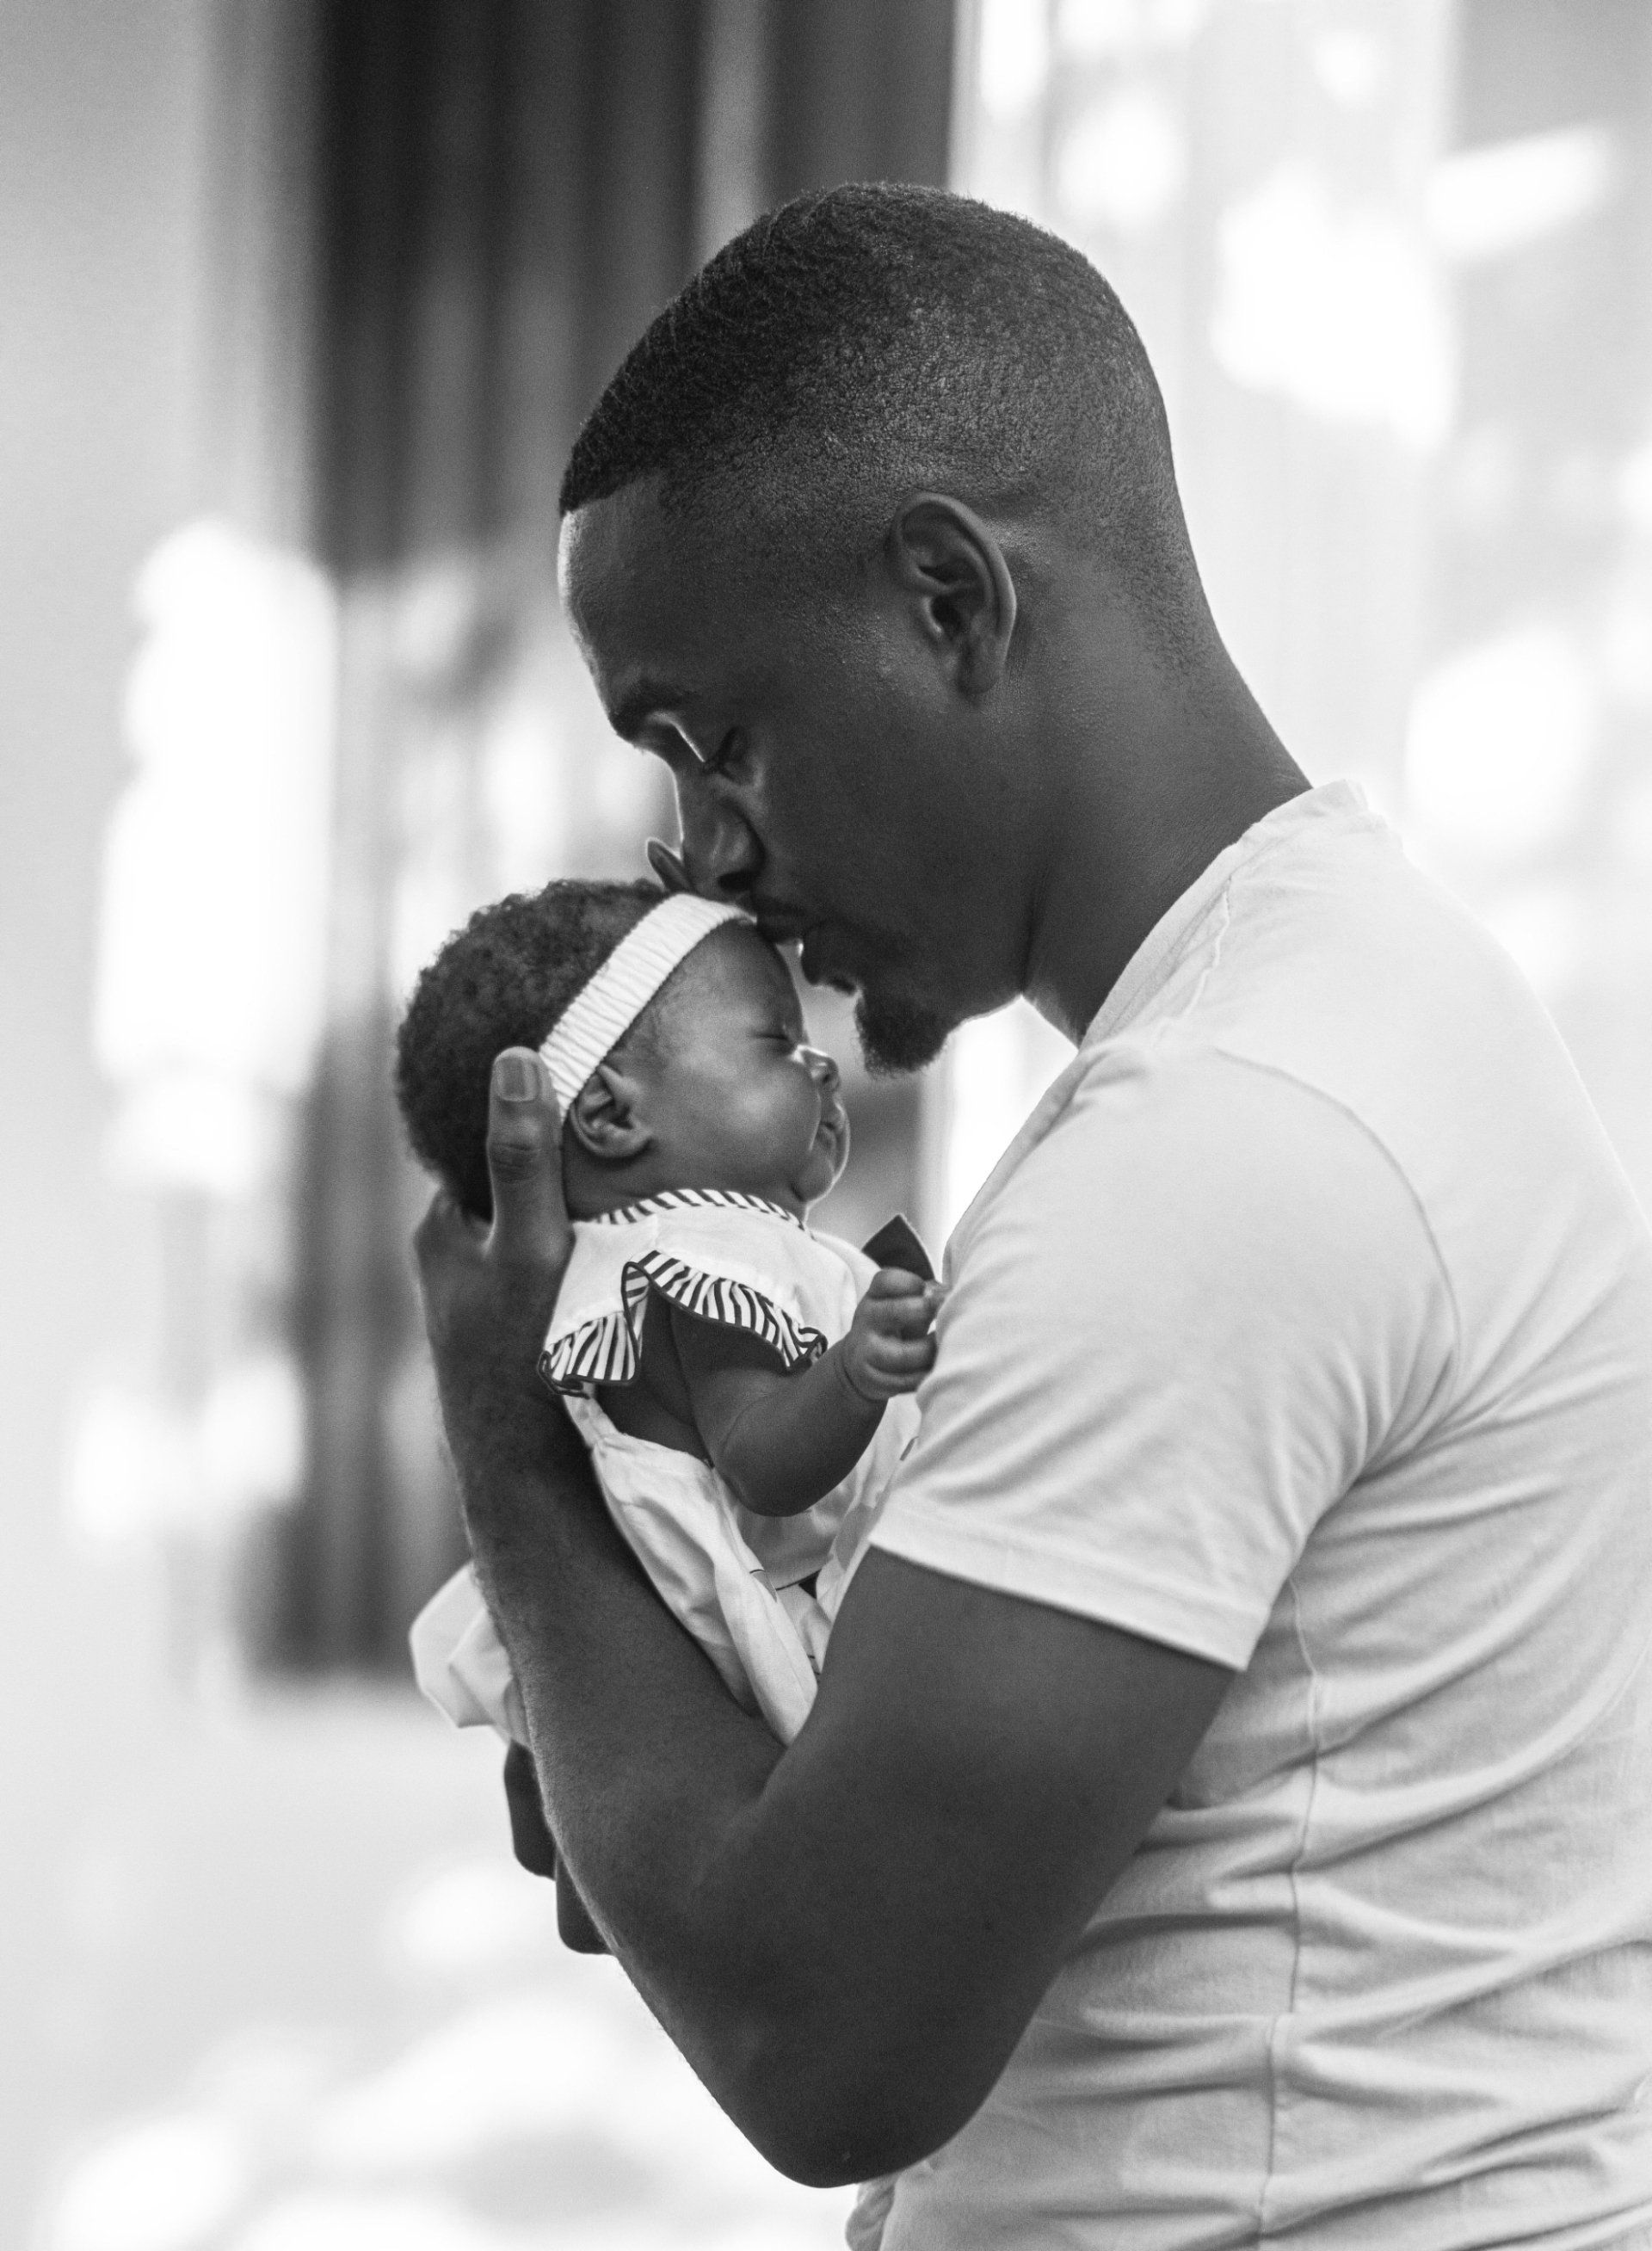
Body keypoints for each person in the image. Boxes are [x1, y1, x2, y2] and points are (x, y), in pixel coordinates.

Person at [412, 184, 1652, 2247]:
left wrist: (512, 1440)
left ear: (948, 600)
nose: (704, 856)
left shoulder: (1226, 1141)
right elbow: (795, 1865)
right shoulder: (1300, 1019)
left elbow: (824, 2028)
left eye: (712, 739)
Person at [396, 876, 938, 1760]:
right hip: (768, 1642)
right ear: (611, 1115)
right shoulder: (692, 1259)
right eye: (778, 1042)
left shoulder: (695, 1256)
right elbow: (762, 1462)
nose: (823, 1065)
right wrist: (854, 1372)